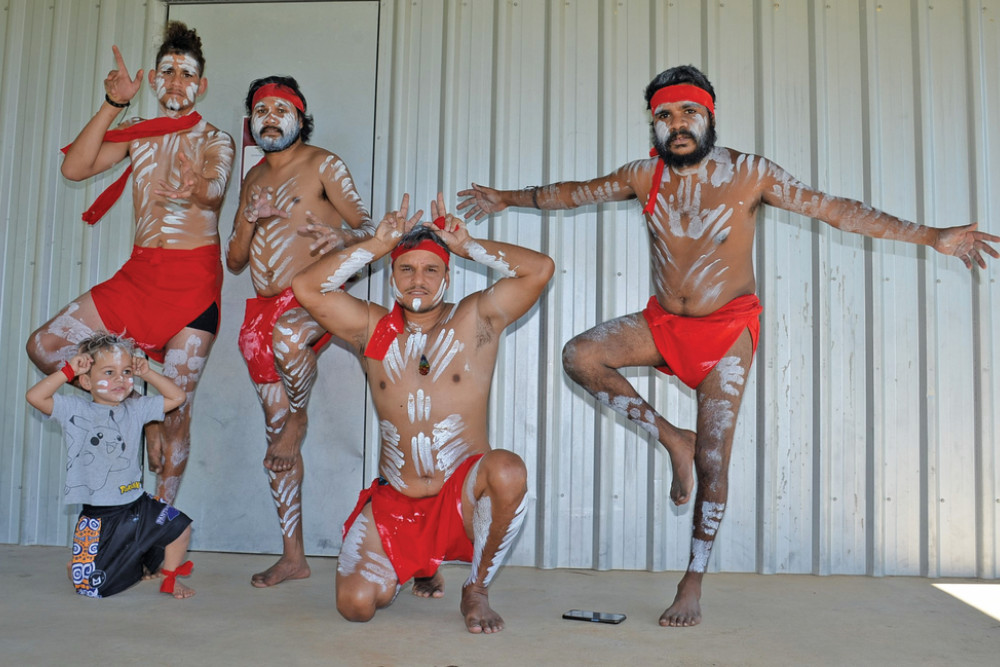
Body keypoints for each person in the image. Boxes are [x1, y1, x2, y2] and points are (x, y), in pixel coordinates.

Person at [456, 64, 1000, 627]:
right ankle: (673, 437)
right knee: (580, 356)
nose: (677, 125)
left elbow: (835, 210)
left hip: (727, 333)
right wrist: (505, 198)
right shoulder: (644, 175)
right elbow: (571, 193)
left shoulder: (750, 173)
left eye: (688, 112)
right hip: (662, 323)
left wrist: (931, 235)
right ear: (654, 126)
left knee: (715, 459)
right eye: (664, 116)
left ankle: (692, 581)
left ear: (709, 116)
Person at [292, 193, 555, 633]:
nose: (419, 280)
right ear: (391, 274)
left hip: (461, 502)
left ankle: (476, 589)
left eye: (431, 269)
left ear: (447, 275)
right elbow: (306, 288)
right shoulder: (370, 327)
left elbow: (540, 269)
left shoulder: (477, 319)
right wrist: (375, 246)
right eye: (406, 268)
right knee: (355, 607)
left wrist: (468, 245)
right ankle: (416, 564)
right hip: (397, 500)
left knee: (508, 471)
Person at [26, 22, 235, 504]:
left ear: (201, 85)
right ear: (154, 80)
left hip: (191, 285)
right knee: (44, 345)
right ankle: (139, 411)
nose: (177, 83)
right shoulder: (137, 134)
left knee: (178, 410)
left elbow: (216, 187)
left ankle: (157, 528)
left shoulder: (215, 139)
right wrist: (114, 104)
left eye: (187, 75)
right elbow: (74, 168)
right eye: (168, 72)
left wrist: (195, 191)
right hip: (138, 277)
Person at [226, 76, 374, 588]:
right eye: (259, 109)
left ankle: (299, 417)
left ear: (299, 115)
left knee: (290, 336)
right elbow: (235, 260)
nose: (269, 116)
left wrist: (341, 236)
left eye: (279, 107)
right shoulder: (252, 181)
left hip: (313, 298)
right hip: (263, 307)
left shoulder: (324, 164)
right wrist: (248, 217)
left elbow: (370, 227)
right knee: (275, 443)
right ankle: (294, 556)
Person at [25, 332, 195, 599]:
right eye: (109, 372)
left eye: (126, 371)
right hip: (100, 515)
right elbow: (35, 397)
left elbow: (177, 398)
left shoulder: (136, 408)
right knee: (93, 588)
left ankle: (170, 578)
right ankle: (79, 567)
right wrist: (67, 370)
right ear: (85, 381)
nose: (120, 379)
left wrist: (148, 374)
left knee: (180, 527)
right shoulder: (75, 410)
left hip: (137, 502)